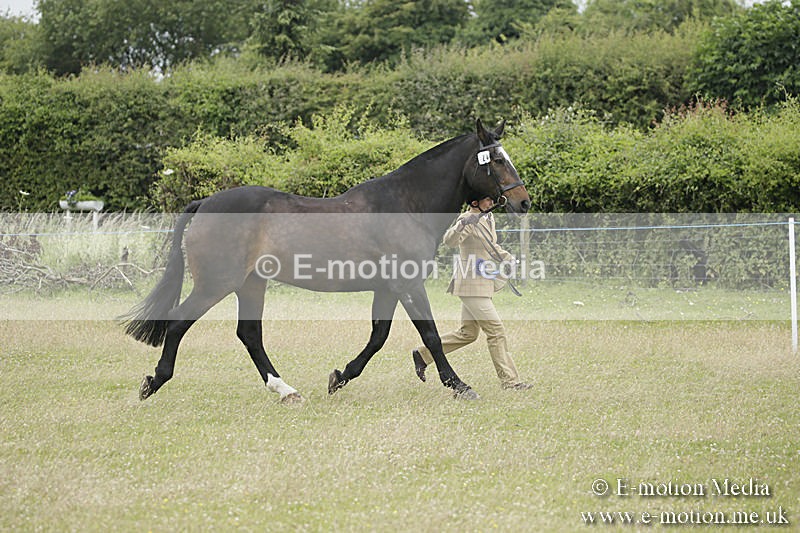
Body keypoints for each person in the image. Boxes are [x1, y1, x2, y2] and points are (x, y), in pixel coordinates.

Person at [411, 196, 532, 390]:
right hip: (471, 283)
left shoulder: (488, 217)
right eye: (487, 199)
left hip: (483, 281)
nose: (491, 202)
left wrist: (508, 258)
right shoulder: (467, 218)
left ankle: (423, 354)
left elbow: (491, 246)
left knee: (468, 333)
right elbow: (449, 240)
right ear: (475, 202)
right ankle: (511, 382)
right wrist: (463, 224)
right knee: (496, 331)